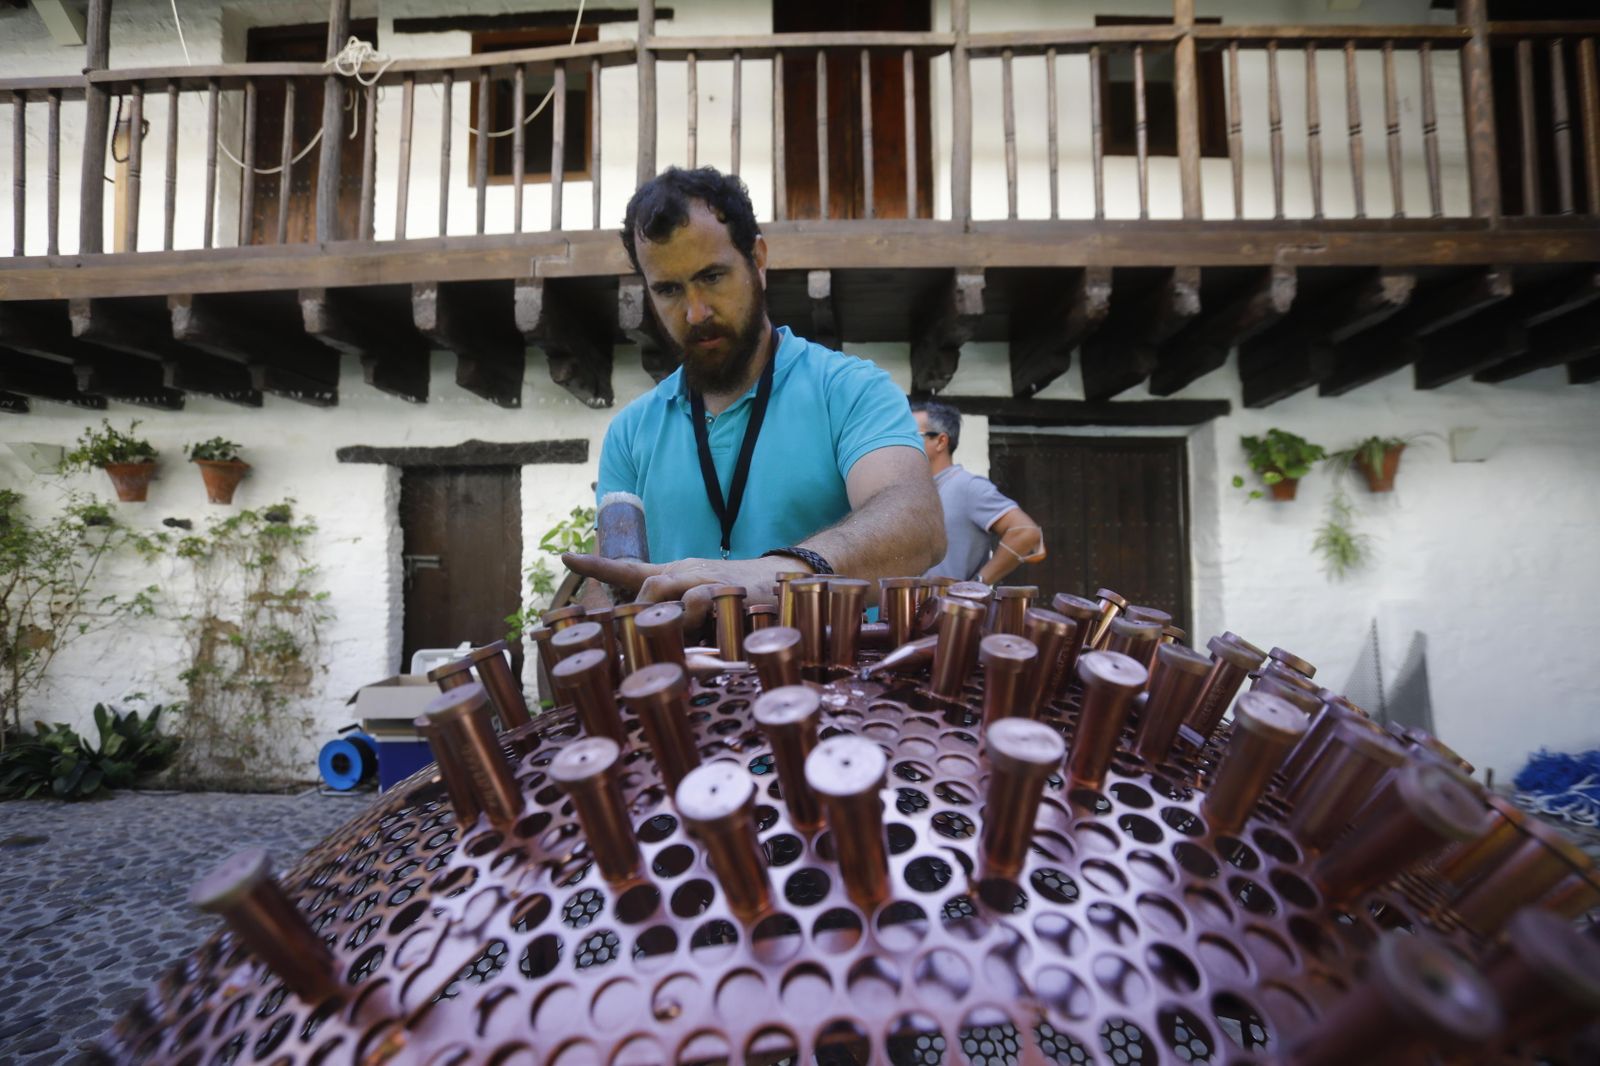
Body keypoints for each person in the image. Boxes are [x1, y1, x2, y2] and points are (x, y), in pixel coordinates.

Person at [562, 167, 945, 620]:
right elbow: (613, 581)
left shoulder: (850, 390)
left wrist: (774, 575)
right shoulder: (630, 431)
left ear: (758, 260)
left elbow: (916, 523)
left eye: (712, 277)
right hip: (683, 687)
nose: (695, 311)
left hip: (832, 685)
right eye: (668, 289)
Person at [912, 400, 1045, 584]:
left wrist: (976, 586)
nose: (902, 442)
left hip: (950, 610)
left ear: (941, 441)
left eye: (912, 434)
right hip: (905, 610)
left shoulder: (967, 486)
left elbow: (1026, 532)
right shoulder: (914, 491)